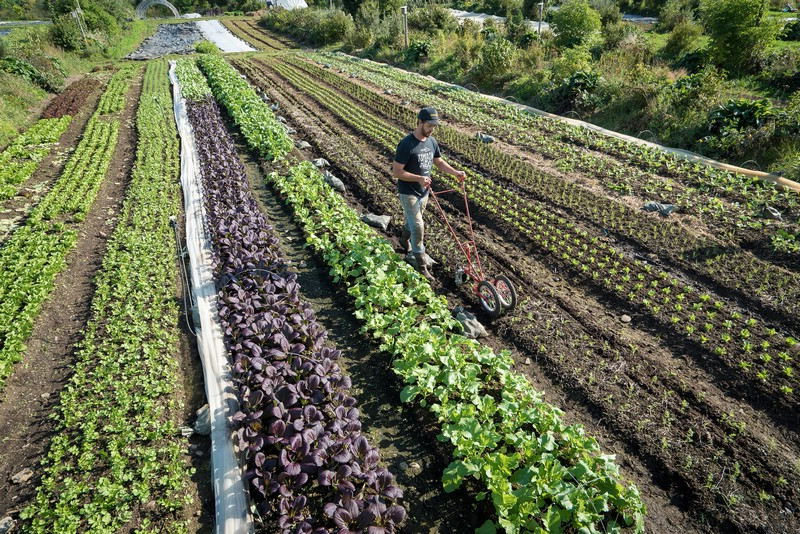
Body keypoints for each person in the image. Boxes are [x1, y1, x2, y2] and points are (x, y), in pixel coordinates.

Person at [392, 107, 466, 281]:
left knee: (412, 222)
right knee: (418, 226)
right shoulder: (406, 144)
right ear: (419, 122)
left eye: (434, 125)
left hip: (423, 192)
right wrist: (419, 178)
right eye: (429, 125)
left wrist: (456, 172)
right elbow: (397, 172)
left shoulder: (431, 142)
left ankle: (404, 240)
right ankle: (421, 264)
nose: (432, 128)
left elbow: (438, 162)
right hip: (408, 192)